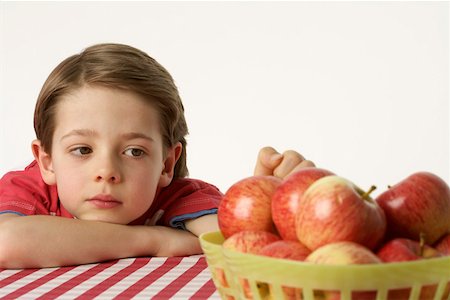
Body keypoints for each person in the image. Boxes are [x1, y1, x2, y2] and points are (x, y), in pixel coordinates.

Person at [0, 43, 314, 269]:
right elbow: (6, 242)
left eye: (134, 151)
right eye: (82, 150)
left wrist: (265, 204)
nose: (107, 171)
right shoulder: (29, 190)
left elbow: (235, 242)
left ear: (166, 164)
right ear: (47, 161)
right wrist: (153, 240)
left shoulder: (178, 198)